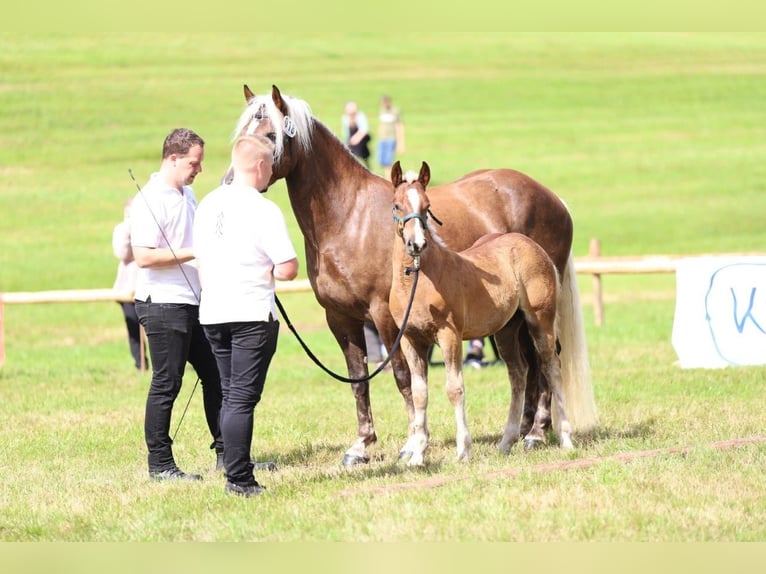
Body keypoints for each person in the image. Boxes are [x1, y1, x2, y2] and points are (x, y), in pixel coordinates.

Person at [194, 134, 299, 498]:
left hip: (212, 312)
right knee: (241, 397)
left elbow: (201, 261)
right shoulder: (263, 209)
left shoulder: (206, 204)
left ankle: (234, 463)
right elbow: (287, 268)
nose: (271, 172)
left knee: (228, 393)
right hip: (251, 312)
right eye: (270, 165)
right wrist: (267, 269)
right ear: (259, 166)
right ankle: (239, 479)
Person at [131, 127, 223, 482]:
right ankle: (160, 465)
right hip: (162, 304)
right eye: (193, 163)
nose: (198, 169)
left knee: (217, 377)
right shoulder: (150, 200)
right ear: (172, 158)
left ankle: (227, 455)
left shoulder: (188, 194)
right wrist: (193, 253)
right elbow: (142, 256)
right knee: (167, 383)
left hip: (195, 302)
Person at [112, 198, 148, 371]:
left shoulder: (149, 226)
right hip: (127, 287)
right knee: (133, 326)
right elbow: (122, 252)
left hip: (148, 285)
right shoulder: (122, 229)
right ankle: (140, 363)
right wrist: (130, 227)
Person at [376, 95, 405, 179]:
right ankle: (397, 174)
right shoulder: (382, 111)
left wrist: (400, 143)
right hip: (382, 139)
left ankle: (389, 178)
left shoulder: (395, 111)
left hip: (391, 138)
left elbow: (399, 125)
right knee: (382, 161)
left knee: (388, 161)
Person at [341, 101, 371, 167]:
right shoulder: (345, 118)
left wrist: (356, 139)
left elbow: (364, 130)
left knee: (363, 157)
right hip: (351, 141)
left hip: (362, 141)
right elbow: (346, 132)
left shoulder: (360, 116)